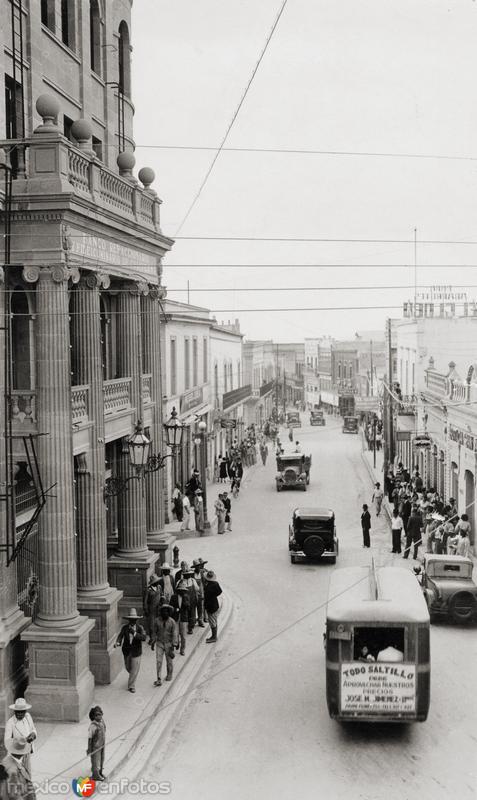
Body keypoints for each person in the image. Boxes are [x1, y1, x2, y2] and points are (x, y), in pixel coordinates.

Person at [114, 608, 147, 693]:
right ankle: (132, 675)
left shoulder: (140, 628)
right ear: (128, 620)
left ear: (136, 620)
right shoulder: (125, 628)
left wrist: (134, 633)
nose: (132, 621)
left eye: (134, 620)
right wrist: (117, 643)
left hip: (136, 652)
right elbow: (120, 636)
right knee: (128, 668)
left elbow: (143, 638)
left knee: (134, 670)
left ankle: (131, 686)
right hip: (127, 652)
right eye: (131, 620)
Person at [4, 699, 36, 777]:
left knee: (28, 771)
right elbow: (7, 741)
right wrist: (19, 742)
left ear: (25, 711)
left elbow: (33, 729)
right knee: (19, 773)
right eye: (17, 712)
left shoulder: (28, 717)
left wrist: (33, 734)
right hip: (17, 752)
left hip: (28, 750)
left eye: (22, 712)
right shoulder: (10, 722)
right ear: (14, 711)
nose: (19, 714)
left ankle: (28, 785)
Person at [150, 605, 179, 686]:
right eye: (163, 611)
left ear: (169, 613)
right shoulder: (157, 621)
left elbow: (174, 634)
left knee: (169, 661)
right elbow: (154, 632)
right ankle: (158, 678)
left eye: (166, 612)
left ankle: (169, 674)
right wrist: (153, 642)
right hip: (159, 643)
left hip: (169, 644)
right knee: (158, 661)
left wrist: (174, 644)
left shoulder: (172, 622)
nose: (164, 613)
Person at [87, 706, 106, 782]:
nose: (99, 716)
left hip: (102, 744)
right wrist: (89, 749)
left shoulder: (102, 722)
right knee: (96, 761)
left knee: (102, 759)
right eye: (97, 715)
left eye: (100, 714)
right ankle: (95, 775)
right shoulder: (92, 726)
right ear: (93, 716)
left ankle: (100, 773)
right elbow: (90, 738)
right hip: (95, 747)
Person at [203, 570, 223, 643]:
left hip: (210, 607)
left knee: (212, 622)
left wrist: (205, 606)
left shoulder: (208, 587)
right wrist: (214, 595)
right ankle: (214, 635)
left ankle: (214, 637)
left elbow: (206, 598)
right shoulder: (215, 584)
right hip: (215, 604)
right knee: (214, 620)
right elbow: (220, 591)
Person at [143, 574, 162, 641]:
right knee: (152, 624)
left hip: (158, 608)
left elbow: (161, 595)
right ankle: (152, 638)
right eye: (156, 582)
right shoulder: (148, 590)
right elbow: (145, 601)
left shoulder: (159, 587)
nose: (157, 583)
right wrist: (146, 609)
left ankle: (157, 636)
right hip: (151, 609)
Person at [191, 560, 206, 627]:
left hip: (201, 593)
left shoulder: (202, 574)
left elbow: (204, 583)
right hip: (194, 593)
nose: (198, 568)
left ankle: (200, 620)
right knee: (193, 607)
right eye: (196, 567)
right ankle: (193, 621)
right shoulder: (192, 574)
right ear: (194, 567)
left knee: (200, 607)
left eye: (199, 566)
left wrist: (203, 593)